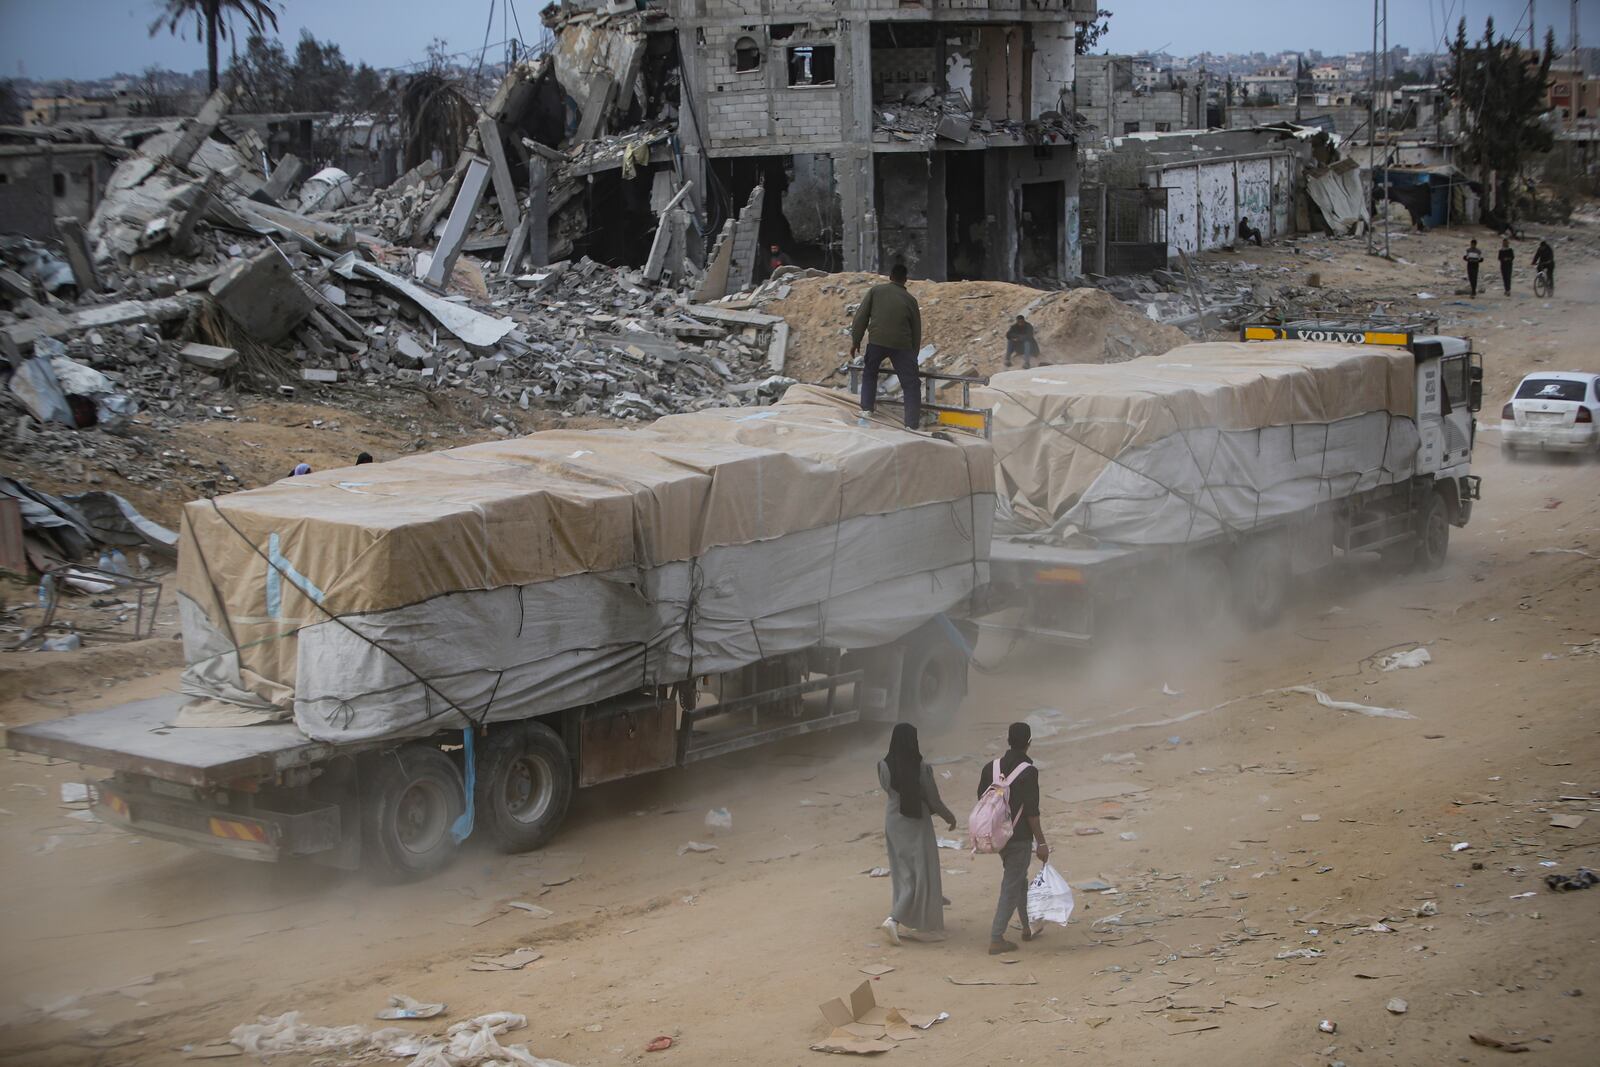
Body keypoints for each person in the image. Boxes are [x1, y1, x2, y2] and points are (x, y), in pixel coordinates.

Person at [876, 723, 957, 946]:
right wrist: (949, 817)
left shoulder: (883, 765)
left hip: (893, 821)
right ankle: (895, 919)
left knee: (903, 872)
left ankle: (927, 905)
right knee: (921, 871)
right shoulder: (921, 767)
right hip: (916, 823)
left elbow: (889, 791)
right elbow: (933, 799)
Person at [977, 721, 1048, 955]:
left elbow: (982, 799)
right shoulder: (1029, 772)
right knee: (1012, 884)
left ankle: (1028, 927)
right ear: (1029, 743)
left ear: (1008, 740)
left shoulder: (991, 768)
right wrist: (1042, 843)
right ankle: (997, 937)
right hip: (1019, 838)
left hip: (997, 837)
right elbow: (1032, 812)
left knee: (1018, 880)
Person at [851, 262, 923, 428]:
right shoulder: (910, 300)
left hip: (877, 342)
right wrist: (913, 354)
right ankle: (911, 424)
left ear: (890, 277)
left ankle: (867, 409)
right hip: (902, 346)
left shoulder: (875, 291)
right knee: (911, 384)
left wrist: (856, 341)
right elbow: (916, 329)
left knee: (870, 373)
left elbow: (860, 317)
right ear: (905, 280)